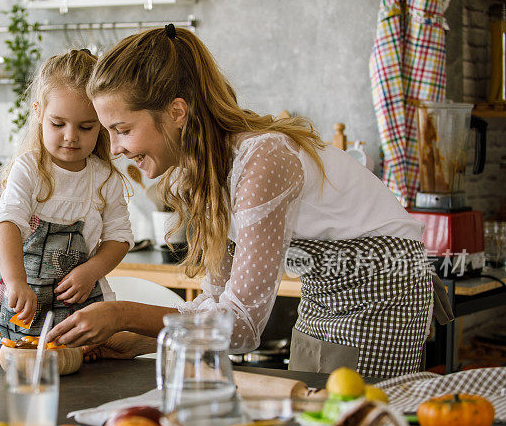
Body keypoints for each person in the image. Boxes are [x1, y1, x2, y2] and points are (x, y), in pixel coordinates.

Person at [47, 25, 451, 378]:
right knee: (311, 413)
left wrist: (124, 314)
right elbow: (221, 300)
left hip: (383, 287)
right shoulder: (202, 171)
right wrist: (137, 340)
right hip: (324, 291)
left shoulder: (263, 160)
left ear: (176, 112)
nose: (114, 148)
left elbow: (241, 329)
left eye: (122, 129)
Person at [0, 49, 133, 342]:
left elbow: (119, 237)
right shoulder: (29, 169)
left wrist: (91, 271)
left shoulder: (104, 179)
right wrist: (16, 281)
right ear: (39, 112)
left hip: (75, 302)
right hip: (20, 301)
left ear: (101, 122)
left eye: (85, 126)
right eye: (58, 123)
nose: (70, 136)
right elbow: (8, 224)